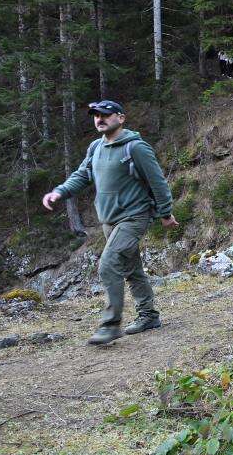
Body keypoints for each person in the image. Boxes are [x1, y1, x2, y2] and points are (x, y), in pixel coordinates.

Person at [42, 100, 177, 345]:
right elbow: (82, 175)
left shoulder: (136, 148)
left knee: (108, 264)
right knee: (131, 268)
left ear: (121, 118)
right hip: (109, 220)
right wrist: (60, 192)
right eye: (95, 115)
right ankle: (148, 316)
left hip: (134, 217)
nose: (99, 119)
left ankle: (111, 324)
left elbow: (158, 182)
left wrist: (165, 213)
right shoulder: (95, 147)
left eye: (105, 114)